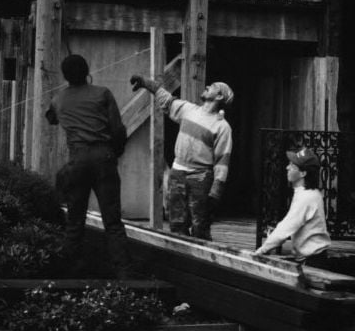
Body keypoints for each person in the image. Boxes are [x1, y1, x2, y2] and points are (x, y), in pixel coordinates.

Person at [47, 53, 131, 278]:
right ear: (87, 72)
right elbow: (118, 130)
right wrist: (115, 152)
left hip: (77, 161)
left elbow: (51, 118)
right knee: (112, 222)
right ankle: (124, 278)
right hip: (103, 158)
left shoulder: (58, 99)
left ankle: (68, 276)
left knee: (74, 222)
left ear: (65, 76)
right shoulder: (102, 93)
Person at [130, 74, 234, 240]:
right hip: (177, 173)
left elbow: (222, 161)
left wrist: (216, 189)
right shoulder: (189, 110)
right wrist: (147, 84)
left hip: (201, 178)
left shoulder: (222, 127)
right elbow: (167, 101)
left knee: (200, 226)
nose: (207, 86)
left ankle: (200, 264)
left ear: (220, 96)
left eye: (212, 86)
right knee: (177, 224)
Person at [251, 147, 331, 269]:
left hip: (312, 261)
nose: (287, 168)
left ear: (303, 173)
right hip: (311, 257)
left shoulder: (306, 197)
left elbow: (286, 227)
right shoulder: (309, 193)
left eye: (293, 166)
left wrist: (261, 250)